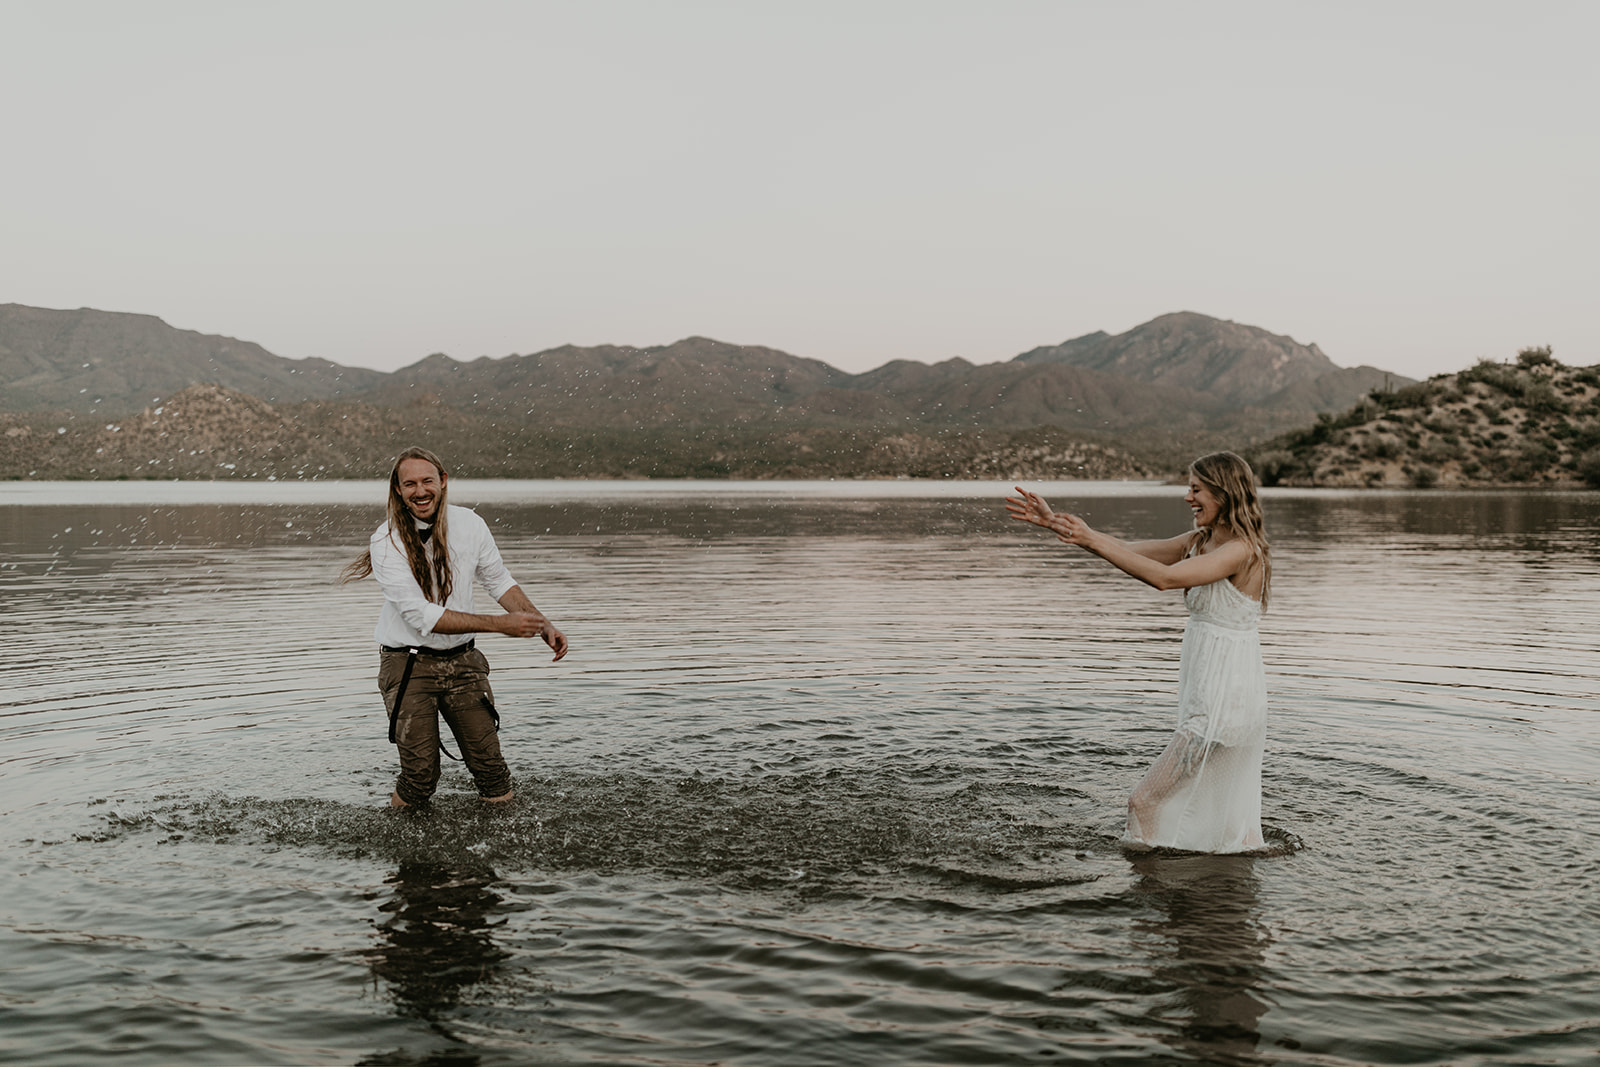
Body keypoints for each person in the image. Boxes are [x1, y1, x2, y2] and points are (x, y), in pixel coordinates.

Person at [1006, 451, 1272, 853]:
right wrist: (1059, 525)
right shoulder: (1199, 542)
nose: (1187, 497)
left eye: (1196, 489)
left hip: (1224, 704)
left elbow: (1165, 579)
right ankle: (1225, 892)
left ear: (1224, 492)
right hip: (1215, 698)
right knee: (1229, 819)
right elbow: (1132, 550)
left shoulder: (1241, 550)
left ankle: (1148, 904)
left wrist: (1091, 538)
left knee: (1143, 802)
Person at [341, 447, 568, 808]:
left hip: (464, 664)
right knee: (420, 778)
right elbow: (421, 616)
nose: (420, 490)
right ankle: (405, 856)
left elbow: (498, 580)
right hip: (408, 665)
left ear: (443, 482)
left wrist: (541, 623)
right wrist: (501, 626)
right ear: (398, 491)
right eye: (410, 484)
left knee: (492, 771)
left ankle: (495, 853)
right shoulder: (386, 540)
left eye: (427, 480)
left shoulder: (470, 524)